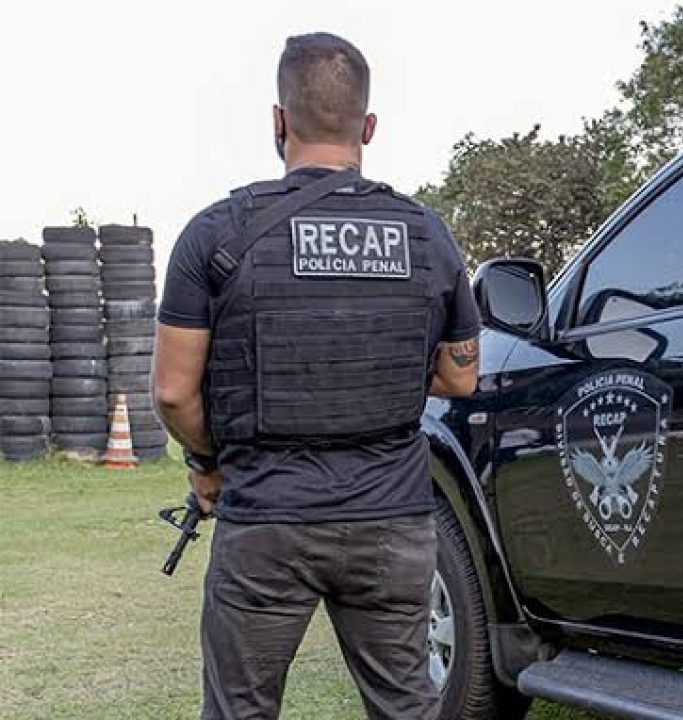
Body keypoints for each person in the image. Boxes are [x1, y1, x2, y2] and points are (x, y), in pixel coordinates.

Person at [152, 32, 481, 720]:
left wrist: (206, 465)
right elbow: (459, 378)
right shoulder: (427, 235)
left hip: (266, 520)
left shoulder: (216, 235)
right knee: (407, 708)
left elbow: (174, 391)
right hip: (392, 521)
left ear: (278, 121)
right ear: (367, 127)